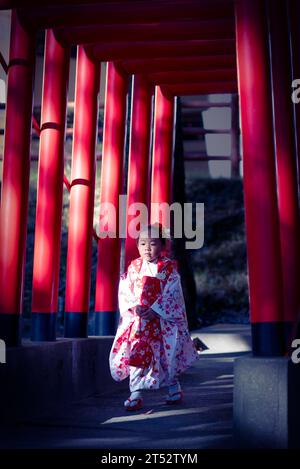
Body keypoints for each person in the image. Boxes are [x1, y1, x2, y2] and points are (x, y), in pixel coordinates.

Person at [109, 223, 198, 411]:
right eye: (142, 244)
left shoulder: (167, 269)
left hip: (161, 321)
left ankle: (174, 388)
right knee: (137, 353)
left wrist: (156, 310)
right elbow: (125, 290)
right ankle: (135, 392)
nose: (147, 248)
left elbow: (173, 294)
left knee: (167, 355)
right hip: (140, 322)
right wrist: (134, 307)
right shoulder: (133, 268)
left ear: (162, 245)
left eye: (152, 243)